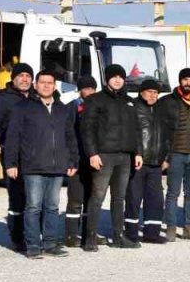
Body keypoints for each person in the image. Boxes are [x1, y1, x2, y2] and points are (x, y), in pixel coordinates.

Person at [3, 70, 78, 258]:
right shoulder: (23, 107)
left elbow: (70, 137)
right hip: (33, 165)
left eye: (50, 82)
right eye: (42, 82)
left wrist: (72, 160)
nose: (46, 85)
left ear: (54, 86)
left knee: (52, 206)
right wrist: (11, 163)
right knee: (34, 206)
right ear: (35, 85)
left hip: (57, 166)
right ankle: (33, 245)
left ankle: (51, 243)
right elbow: (13, 137)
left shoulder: (63, 109)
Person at [80, 64, 143, 251]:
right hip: (104, 156)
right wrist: (92, 153)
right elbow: (87, 129)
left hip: (124, 156)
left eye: (121, 77)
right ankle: (90, 238)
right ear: (106, 79)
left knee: (119, 198)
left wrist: (138, 152)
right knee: (97, 197)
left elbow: (136, 130)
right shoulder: (95, 100)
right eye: (113, 76)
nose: (117, 80)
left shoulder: (129, 101)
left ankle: (118, 236)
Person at [0, 62, 37, 251]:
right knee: (17, 198)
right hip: (13, 156)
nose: (24, 79)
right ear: (13, 78)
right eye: (21, 76)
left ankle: (33, 235)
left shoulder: (35, 98)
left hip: (35, 157)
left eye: (28, 76)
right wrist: (6, 143)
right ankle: (17, 238)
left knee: (35, 197)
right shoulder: (2, 100)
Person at [156, 67, 190, 241]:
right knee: (172, 192)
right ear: (180, 81)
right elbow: (160, 129)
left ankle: (189, 227)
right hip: (175, 153)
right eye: (185, 79)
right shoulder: (167, 101)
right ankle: (171, 227)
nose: (188, 83)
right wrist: (163, 155)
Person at [125, 79, 167, 244]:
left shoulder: (160, 110)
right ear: (141, 92)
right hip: (138, 161)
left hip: (156, 163)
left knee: (156, 199)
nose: (153, 95)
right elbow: (131, 133)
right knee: (134, 198)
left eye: (156, 92)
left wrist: (166, 158)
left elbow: (167, 135)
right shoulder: (133, 107)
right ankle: (131, 234)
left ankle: (152, 233)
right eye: (149, 91)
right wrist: (137, 153)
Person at [63, 75, 98, 248]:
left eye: (92, 88)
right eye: (86, 88)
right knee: (75, 200)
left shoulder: (99, 107)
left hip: (94, 160)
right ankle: (71, 235)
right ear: (80, 90)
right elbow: (67, 135)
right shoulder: (71, 107)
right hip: (76, 159)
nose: (90, 92)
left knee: (92, 199)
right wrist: (70, 160)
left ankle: (88, 234)